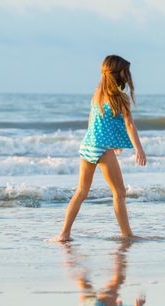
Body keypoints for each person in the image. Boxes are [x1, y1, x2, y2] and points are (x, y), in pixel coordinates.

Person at [55, 55, 146, 242]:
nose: (127, 75)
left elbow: (94, 122)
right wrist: (139, 149)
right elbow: (129, 124)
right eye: (125, 71)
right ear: (118, 73)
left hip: (88, 144)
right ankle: (127, 234)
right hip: (102, 148)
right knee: (119, 192)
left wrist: (114, 143)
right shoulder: (121, 97)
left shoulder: (97, 93)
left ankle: (64, 234)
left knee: (81, 191)